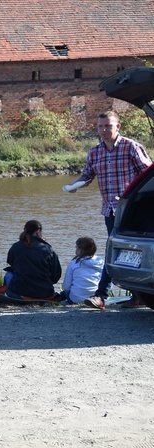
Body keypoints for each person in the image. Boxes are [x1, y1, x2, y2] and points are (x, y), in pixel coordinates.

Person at [67, 110, 153, 310]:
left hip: (133, 211)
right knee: (119, 252)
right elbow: (87, 176)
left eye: (108, 126)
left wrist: (131, 197)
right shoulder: (94, 152)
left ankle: (101, 295)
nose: (104, 130)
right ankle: (138, 296)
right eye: (100, 126)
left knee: (125, 251)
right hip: (110, 212)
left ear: (118, 127)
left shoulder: (131, 147)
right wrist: (73, 186)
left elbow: (149, 175)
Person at [4, 220, 61, 300]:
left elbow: (11, 264)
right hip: (45, 293)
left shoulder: (16, 247)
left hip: (21, 292)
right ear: (38, 232)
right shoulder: (48, 249)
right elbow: (56, 276)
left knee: (9, 274)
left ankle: (10, 296)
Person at [57, 237, 104, 305]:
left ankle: (58, 297)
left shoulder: (74, 262)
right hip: (95, 297)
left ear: (81, 249)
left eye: (76, 247)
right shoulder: (100, 261)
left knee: (65, 292)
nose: (75, 250)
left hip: (76, 299)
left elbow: (66, 286)